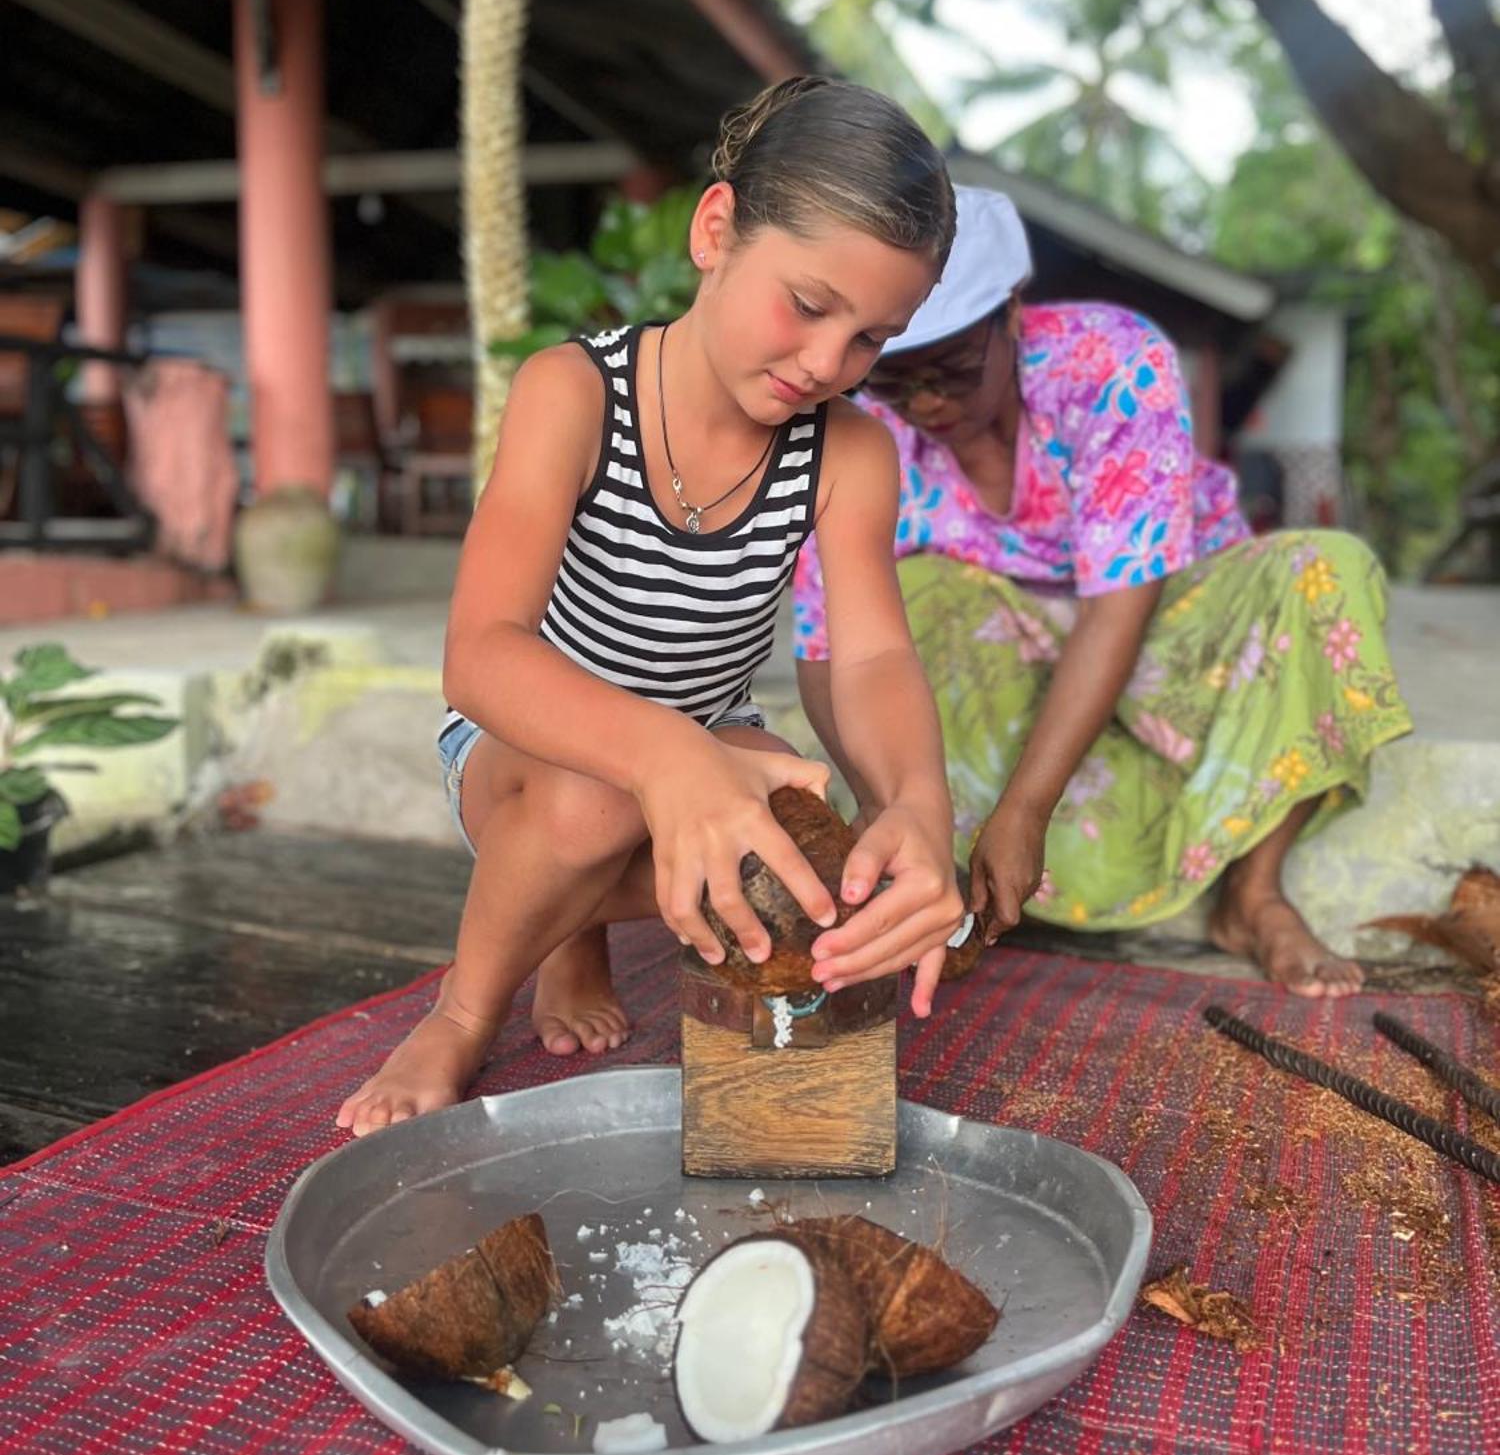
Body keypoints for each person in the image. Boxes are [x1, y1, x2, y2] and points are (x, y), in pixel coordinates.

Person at [338, 77, 967, 1135]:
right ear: (716, 228)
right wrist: (668, 757)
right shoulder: (574, 393)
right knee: (597, 803)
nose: (827, 363)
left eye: (869, 339)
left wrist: (919, 804)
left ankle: (567, 912)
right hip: (522, 744)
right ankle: (463, 1004)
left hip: (705, 734)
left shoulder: (848, 450)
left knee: (830, 854)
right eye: (810, 306)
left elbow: (866, 658)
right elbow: (481, 657)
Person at [793, 185, 1412, 997]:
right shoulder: (858, 430)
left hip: (1164, 623)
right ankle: (963, 880)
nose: (929, 405)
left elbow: (1120, 599)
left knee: (1323, 572)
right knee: (913, 597)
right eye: (897, 384)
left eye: (951, 372)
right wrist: (893, 807)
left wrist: (1025, 810)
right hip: (1012, 656)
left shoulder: (1111, 360)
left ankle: (1253, 896)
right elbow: (822, 639)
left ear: (1014, 314)